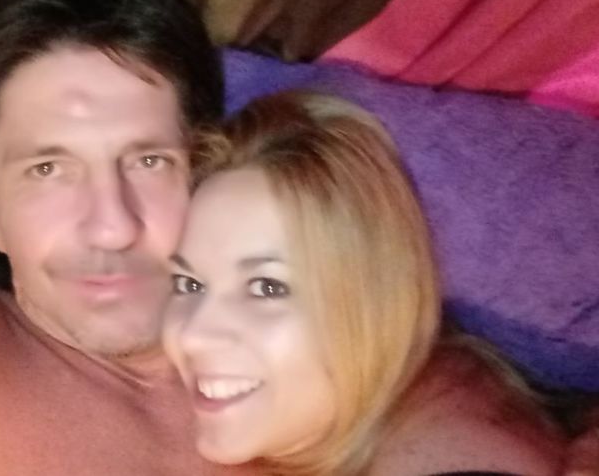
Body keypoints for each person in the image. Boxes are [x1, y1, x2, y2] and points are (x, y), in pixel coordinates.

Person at [162, 90, 567, 475]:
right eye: (188, 284)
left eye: (267, 287)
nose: (193, 335)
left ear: (379, 301)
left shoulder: (454, 432)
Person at [0, 0, 261, 474]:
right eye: (47, 169)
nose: (113, 229)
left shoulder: (325, 360)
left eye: (149, 161)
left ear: (206, 170)